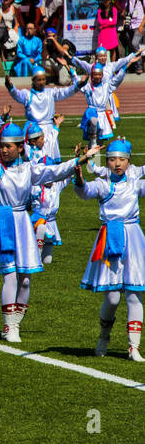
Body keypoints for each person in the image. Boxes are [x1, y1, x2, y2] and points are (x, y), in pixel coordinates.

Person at [0, 124, 99, 342]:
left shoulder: (29, 169)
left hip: (23, 223)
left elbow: (55, 171)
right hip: (4, 222)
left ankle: (16, 321)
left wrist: (82, 159)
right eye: (2, 146)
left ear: (19, 147)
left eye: (9, 147)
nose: (4, 150)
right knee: (10, 274)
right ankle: (9, 326)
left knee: (25, 279)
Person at [73, 139, 145, 360]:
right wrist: (78, 177)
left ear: (129, 162)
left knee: (135, 294)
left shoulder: (135, 183)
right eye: (112, 159)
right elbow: (85, 191)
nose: (117, 164)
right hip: (109, 239)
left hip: (133, 239)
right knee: (112, 298)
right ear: (107, 162)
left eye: (122, 160)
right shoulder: (103, 184)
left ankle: (134, 347)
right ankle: (104, 337)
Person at [5, 66, 82, 161]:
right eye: (39, 80)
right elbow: (17, 94)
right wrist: (11, 87)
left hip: (49, 130)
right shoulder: (28, 95)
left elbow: (65, 92)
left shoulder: (50, 93)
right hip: (34, 132)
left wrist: (78, 85)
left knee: (50, 160)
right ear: (33, 80)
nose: (42, 82)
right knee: (33, 160)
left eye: (43, 79)